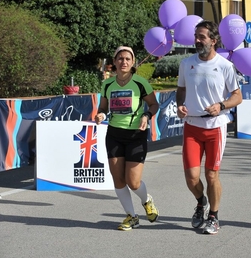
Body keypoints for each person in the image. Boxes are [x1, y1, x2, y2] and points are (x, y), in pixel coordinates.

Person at [176, 21, 242, 235]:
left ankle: (213, 216)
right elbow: (181, 89)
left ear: (213, 41)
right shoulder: (186, 63)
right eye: (196, 36)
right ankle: (200, 202)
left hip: (215, 126)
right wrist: (180, 106)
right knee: (191, 177)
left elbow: (237, 96)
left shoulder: (224, 66)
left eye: (202, 37)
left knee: (212, 175)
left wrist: (221, 105)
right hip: (192, 125)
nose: (197, 40)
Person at [95, 46, 160, 231]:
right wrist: (100, 114)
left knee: (133, 182)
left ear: (133, 63)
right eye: (120, 59)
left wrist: (147, 115)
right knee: (118, 180)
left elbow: (154, 104)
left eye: (127, 59)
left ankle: (146, 200)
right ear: (114, 62)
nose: (124, 62)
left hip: (136, 135)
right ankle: (131, 216)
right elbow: (103, 107)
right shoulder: (107, 84)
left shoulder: (140, 83)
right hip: (114, 135)